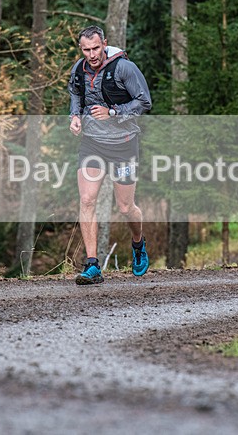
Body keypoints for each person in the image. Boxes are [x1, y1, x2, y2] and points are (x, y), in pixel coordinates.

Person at [68, 25, 153, 285]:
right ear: (80, 48)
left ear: (104, 43)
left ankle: (138, 244)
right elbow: (75, 93)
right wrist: (74, 116)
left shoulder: (124, 68)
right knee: (87, 200)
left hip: (123, 144)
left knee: (126, 207)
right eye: (86, 49)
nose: (92, 54)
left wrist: (113, 113)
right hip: (93, 143)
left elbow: (144, 101)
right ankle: (92, 265)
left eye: (96, 48)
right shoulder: (78, 69)